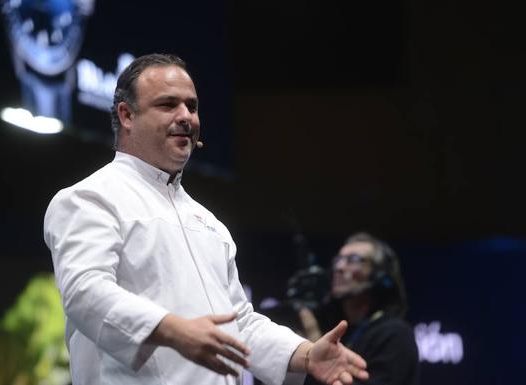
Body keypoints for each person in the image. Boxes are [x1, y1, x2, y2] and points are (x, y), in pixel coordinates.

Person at [44, 53, 369, 385]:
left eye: (192, 106)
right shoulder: (89, 198)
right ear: (126, 115)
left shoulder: (210, 224)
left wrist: (303, 354)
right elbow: (85, 292)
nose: (186, 116)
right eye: (168, 104)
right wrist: (173, 329)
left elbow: (238, 322)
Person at [299, 233, 419, 385]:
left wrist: (316, 348)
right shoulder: (341, 330)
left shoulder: (395, 334)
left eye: (354, 260)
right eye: (338, 259)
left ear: (379, 274)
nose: (339, 267)